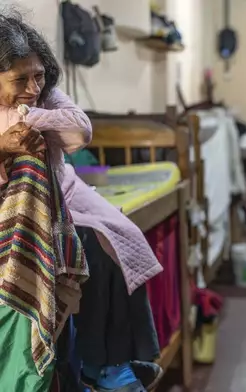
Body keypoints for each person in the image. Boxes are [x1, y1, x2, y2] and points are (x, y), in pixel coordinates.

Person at [0, 12, 162, 391]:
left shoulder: (43, 94)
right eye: (19, 80)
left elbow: (79, 131)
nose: (32, 86)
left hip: (63, 192)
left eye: (38, 75)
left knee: (119, 236)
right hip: (16, 209)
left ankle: (117, 360)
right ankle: (95, 362)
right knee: (90, 247)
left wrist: (28, 116)